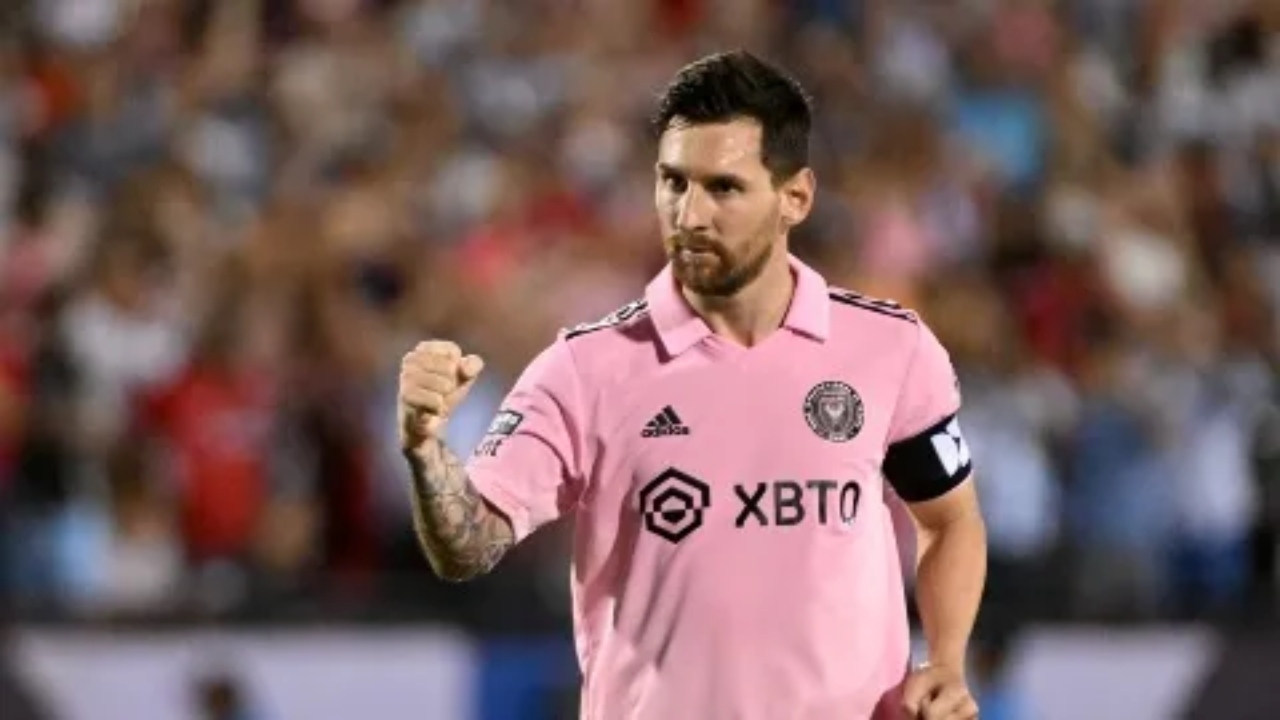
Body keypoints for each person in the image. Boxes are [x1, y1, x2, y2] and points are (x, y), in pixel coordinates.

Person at [398, 51, 987, 720]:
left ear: (795, 197)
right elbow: (467, 545)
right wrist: (425, 450)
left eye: (723, 188)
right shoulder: (585, 369)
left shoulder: (889, 349)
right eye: (673, 182)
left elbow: (950, 518)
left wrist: (946, 661)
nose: (689, 215)